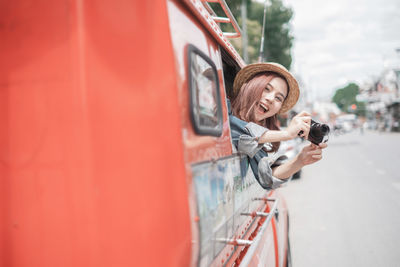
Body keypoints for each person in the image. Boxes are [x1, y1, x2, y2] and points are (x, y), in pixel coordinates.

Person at [228, 62, 328, 189]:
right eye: (266, 89)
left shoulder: (256, 144)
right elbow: (230, 127)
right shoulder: (221, 107)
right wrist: (286, 134)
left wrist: (300, 160)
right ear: (247, 85)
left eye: (279, 98)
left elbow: (266, 177)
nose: (270, 98)